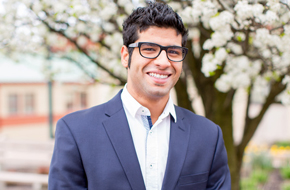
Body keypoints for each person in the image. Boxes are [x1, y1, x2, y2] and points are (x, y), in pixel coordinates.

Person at [48, 2, 231, 190]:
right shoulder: (76, 132)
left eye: (173, 52)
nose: (163, 62)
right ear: (125, 56)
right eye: (149, 49)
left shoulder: (209, 136)